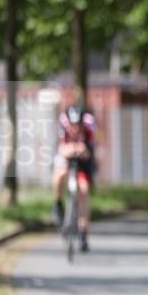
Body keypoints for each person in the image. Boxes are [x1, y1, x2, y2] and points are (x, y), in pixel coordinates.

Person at [52, 105, 96, 252]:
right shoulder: (63, 125)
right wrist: (72, 149)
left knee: (83, 191)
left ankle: (83, 232)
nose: (75, 129)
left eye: (78, 126)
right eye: (73, 125)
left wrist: (82, 151)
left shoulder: (89, 126)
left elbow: (89, 153)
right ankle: (58, 204)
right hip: (66, 158)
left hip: (83, 162)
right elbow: (61, 149)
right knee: (60, 174)